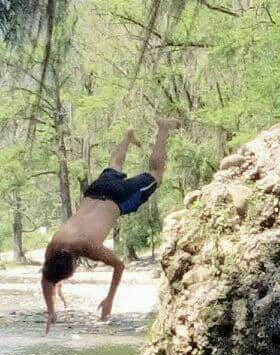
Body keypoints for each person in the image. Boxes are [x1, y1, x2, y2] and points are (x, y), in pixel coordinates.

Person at [41, 118, 179, 332]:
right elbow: (46, 277)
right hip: (95, 191)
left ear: (73, 264)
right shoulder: (55, 243)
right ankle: (127, 137)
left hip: (120, 198)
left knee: (155, 174)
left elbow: (119, 266)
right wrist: (51, 310)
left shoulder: (88, 247)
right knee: (114, 165)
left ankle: (163, 129)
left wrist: (109, 300)